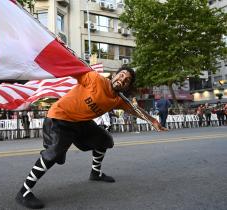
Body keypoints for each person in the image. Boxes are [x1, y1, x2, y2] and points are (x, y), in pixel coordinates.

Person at [15, 66, 167, 209]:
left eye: (127, 80)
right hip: (61, 117)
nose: (122, 80)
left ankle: (95, 173)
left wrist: (153, 121)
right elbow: (71, 68)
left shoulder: (119, 100)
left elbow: (136, 110)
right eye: (121, 75)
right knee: (54, 154)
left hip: (81, 122)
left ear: (127, 87)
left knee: (105, 140)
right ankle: (24, 191)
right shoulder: (94, 78)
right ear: (114, 76)